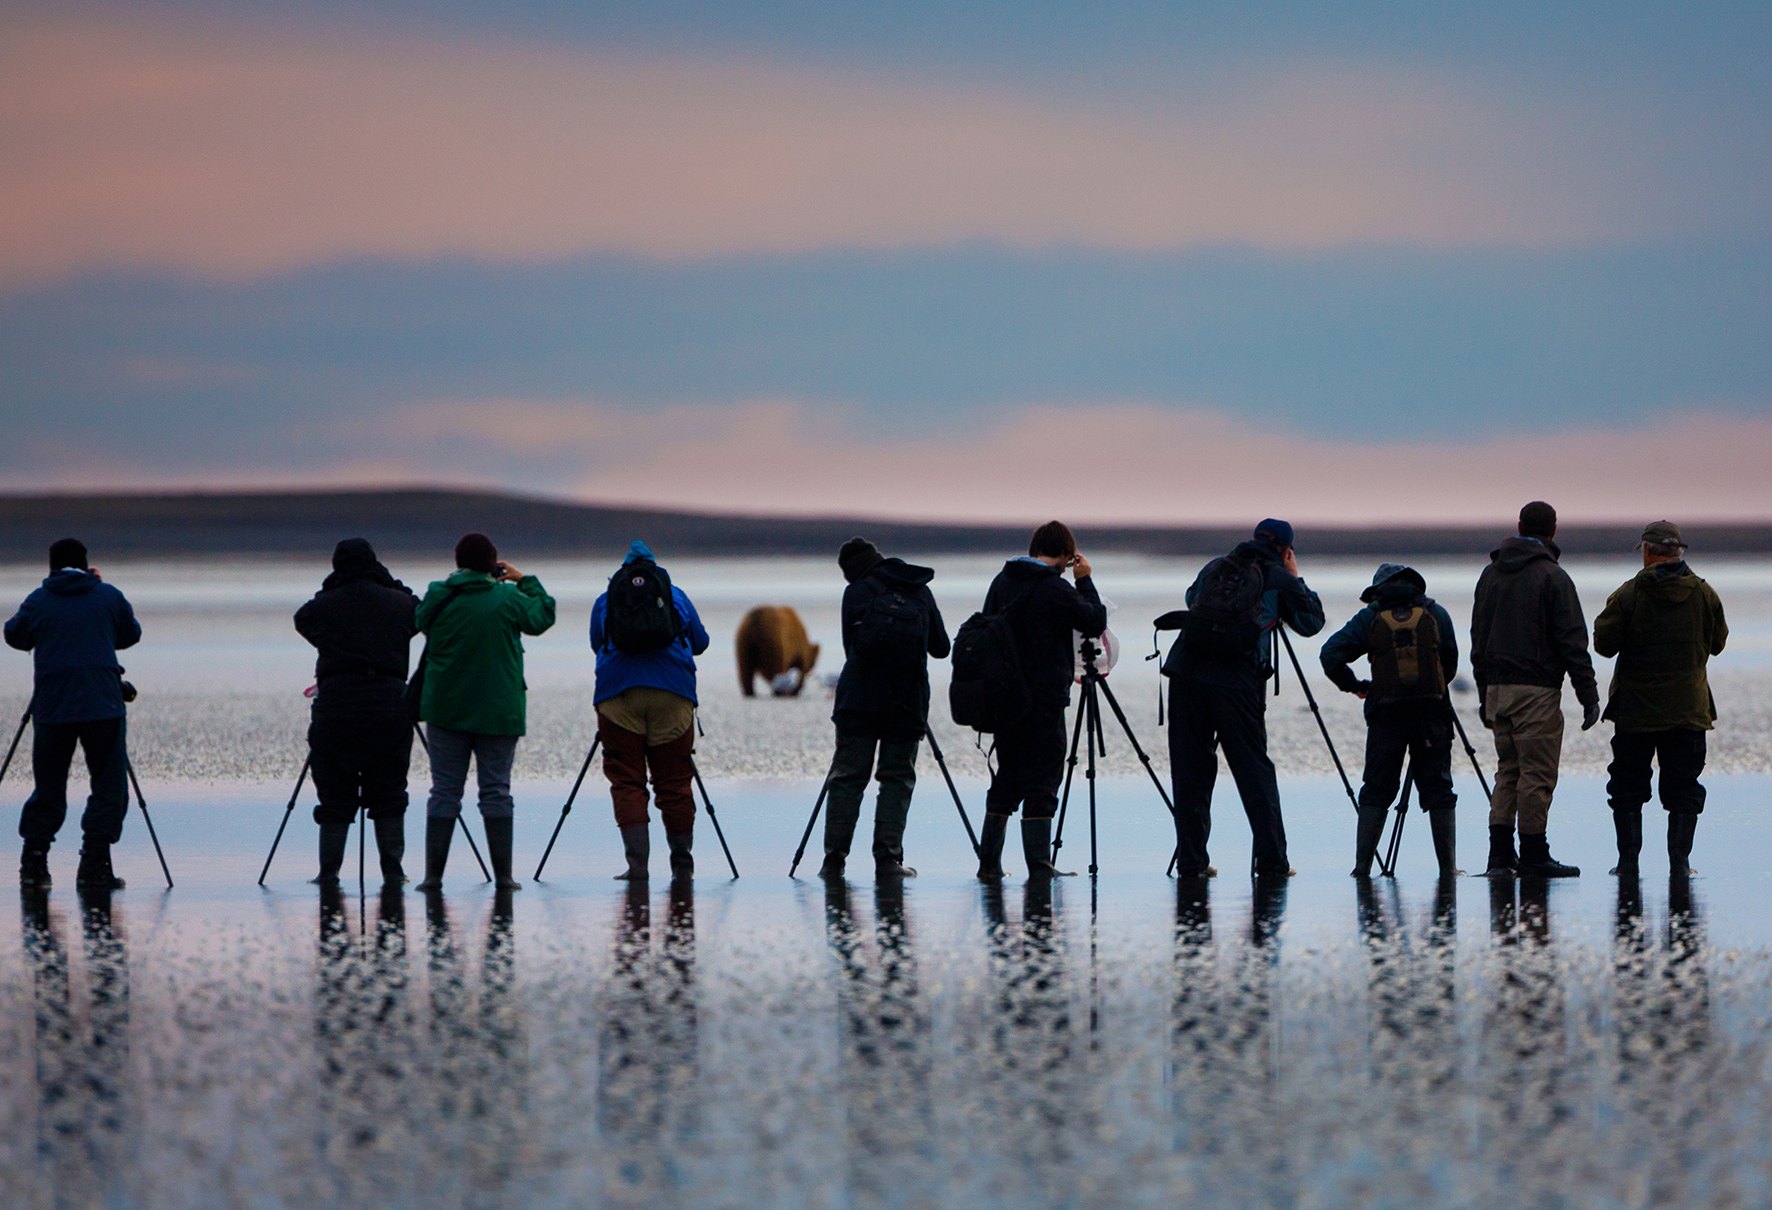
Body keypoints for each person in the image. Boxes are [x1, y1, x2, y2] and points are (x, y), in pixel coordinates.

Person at [1167, 520, 1324, 879]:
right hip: (1236, 681)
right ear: (1286, 550)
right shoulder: (1277, 576)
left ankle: (1192, 863)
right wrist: (1294, 577)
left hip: (1186, 674)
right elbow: (1312, 621)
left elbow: (1192, 599)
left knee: (1190, 773)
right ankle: (1271, 864)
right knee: (1254, 772)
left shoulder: (1216, 567)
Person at [413, 533, 556, 891]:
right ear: (493, 564)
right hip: (498, 711)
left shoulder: (439, 594)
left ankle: (433, 878)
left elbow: (420, 620)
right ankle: (505, 878)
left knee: (444, 791)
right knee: (495, 791)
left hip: (446, 710)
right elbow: (543, 616)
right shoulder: (508, 597)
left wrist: (454, 583)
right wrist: (525, 580)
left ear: (458, 561)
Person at [1470, 501, 1599, 878]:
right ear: (1553, 531)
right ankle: (1533, 855)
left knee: (1507, 772)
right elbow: (1573, 641)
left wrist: (1483, 693)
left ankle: (1499, 857)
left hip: (1497, 690)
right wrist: (1588, 696)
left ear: (1519, 526)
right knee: (1536, 776)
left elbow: (1478, 638)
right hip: (1536, 691)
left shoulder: (1489, 575)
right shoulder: (1553, 577)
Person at [1592, 521, 1727, 878]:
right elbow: (1718, 643)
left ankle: (1628, 864)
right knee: (1684, 788)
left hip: (1635, 712)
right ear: (1678, 552)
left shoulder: (1628, 594)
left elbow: (1603, 646)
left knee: (1627, 787)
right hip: (1688, 711)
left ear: (1649, 552)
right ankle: (1680, 865)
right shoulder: (1704, 594)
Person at [5, 539, 141, 890]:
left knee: (48, 787)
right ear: (86, 565)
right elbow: (130, 634)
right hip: (102, 705)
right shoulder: (107, 595)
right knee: (108, 786)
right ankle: (93, 865)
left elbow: (14, 635)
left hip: (53, 706)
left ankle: (34, 864)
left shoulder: (39, 600)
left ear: (51, 568)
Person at [975, 521, 1107, 880]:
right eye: (1068, 558)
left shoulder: (1002, 582)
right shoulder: (1054, 588)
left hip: (1004, 700)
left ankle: (989, 865)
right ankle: (1039, 865)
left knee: (1008, 778)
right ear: (1066, 554)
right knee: (1043, 781)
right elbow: (1094, 620)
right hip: (1043, 702)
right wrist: (1084, 580)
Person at [819, 537, 951, 880]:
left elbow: (853, 650)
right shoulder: (918, 588)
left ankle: (833, 861)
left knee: (848, 779)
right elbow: (941, 647)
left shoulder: (856, 592)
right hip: (906, 702)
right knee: (896, 779)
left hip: (858, 701)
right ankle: (888, 861)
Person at [1321, 563, 1461, 878]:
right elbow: (1449, 662)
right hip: (1432, 713)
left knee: (1377, 788)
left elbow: (1330, 654)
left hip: (1386, 715)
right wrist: (1430, 689)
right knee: (1439, 789)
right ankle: (1448, 869)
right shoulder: (1435, 613)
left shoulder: (1371, 616)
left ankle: (1362, 867)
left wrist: (1357, 687)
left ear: (1379, 589)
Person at [293, 538, 420, 887]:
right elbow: (419, 610)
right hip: (390, 706)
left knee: (334, 793)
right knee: (390, 792)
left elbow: (303, 619)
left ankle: (328, 873)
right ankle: (393, 872)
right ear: (374, 564)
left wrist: (332, 586)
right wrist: (388, 582)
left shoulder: (325, 605)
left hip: (337, 708)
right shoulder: (399, 603)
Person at [590, 540, 710, 881]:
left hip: (618, 696)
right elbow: (699, 644)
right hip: (672, 694)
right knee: (673, 782)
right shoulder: (676, 596)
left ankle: (637, 867)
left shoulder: (606, 599)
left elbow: (598, 643)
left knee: (627, 780)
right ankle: (682, 866)